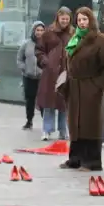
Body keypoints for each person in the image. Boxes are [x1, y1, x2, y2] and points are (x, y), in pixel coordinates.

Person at [63, 7, 104, 171]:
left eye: (85, 19)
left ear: (91, 20)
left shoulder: (101, 40)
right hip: (75, 87)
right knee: (75, 124)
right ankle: (75, 158)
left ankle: (92, 161)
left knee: (90, 124)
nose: (82, 23)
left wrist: (98, 86)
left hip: (90, 87)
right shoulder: (74, 38)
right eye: (79, 20)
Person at [36, 7, 72, 142]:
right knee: (49, 103)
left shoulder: (73, 33)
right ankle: (46, 130)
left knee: (64, 103)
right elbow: (39, 50)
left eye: (67, 19)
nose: (64, 21)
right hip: (50, 73)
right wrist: (46, 62)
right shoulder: (48, 33)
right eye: (62, 18)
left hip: (67, 72)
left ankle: (63, 131)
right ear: (58, 18)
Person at [16, 21, 44, 130]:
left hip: (43, 78)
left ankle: (45, 123)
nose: (39, 32)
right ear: (33, 31)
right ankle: (29, 121)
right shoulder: (26, 44)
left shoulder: (47, 44)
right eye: (37, 30)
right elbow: (19, 58)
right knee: (30, 99)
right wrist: (25, 68)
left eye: (42, 30)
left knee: (42, 101)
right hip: (29, 77)